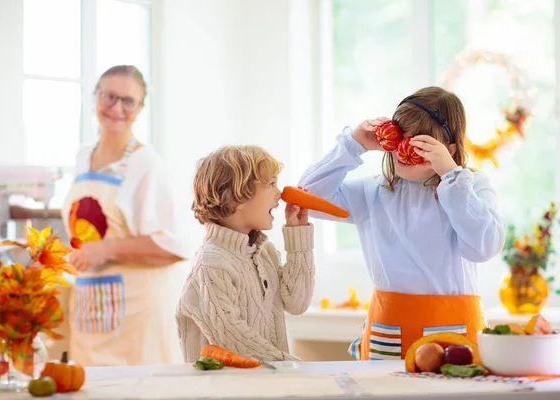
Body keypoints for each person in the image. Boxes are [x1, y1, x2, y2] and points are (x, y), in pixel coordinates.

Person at [297, 86, 505, 361]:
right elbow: (308, 196)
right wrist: (353, 145)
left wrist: (452, 176)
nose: (402, 150)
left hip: (454, 333)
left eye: (420, 144)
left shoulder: (470, 186)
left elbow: (484, 248)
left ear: (450, 148)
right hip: (389, 332)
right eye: (398, 137)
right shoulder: (374, 191)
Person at [59, 65, 188, 366]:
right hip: (91, 309)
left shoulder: (145, 162)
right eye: (109, 96)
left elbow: (174, 246)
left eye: (128, 101)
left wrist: (105, 249)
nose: (117, 108)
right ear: (94, 98)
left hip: (138, 317)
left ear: (140, 108)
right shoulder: (82, 156)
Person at [176, 146, 315, 362]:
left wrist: (299, 236)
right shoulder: (211, 262)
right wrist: (293, 368)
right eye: (271, 184)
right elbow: (233, 339)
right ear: (236, 197)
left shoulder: (264, 252)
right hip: (221, 390)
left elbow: (297, 303)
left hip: (263, 384)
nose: (280, 194)